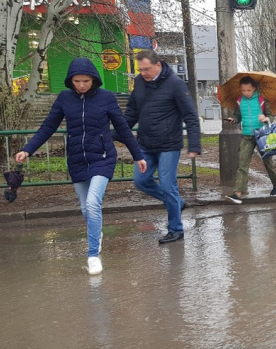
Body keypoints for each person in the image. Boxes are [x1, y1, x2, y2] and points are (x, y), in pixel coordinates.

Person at [15, 58, 147, 275]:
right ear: (71, 80)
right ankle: (97, 232)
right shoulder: (65, 98)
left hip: (102, 157)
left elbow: (122, 127)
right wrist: (28, 149)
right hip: (77, 159)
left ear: (93, 79)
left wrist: (138, 155)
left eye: (86, 80)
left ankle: (93, 254)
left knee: (93, 203)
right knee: (86, 208)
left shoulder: (106, 98)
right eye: (77, 81)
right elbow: (48, 126)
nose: (81, 85)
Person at [124, 50, 201, 244]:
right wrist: (117, 132)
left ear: (158, 65)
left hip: (169, 145)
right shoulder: (140, 83)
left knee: (168, 185)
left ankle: (175, 229)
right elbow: (132, 111)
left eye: (147, 69)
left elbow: (190, 116)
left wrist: (194, 144)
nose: (144, 73)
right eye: (140, 70)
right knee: (140, 181)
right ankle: (176, 203)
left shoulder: (175, 84)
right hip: (145, 144)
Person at [223, 76, 276, 204]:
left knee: (268, 163)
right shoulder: (239, 101)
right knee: (242, 164)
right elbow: (238, 116)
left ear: (254, 89)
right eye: (243, 90)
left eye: (248, 90)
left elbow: (271, 116)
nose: (246, 93)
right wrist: (233, 119)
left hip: (262, 135)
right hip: (247, 136)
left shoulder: (262, 100)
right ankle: (238, 194)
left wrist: (265, 118)